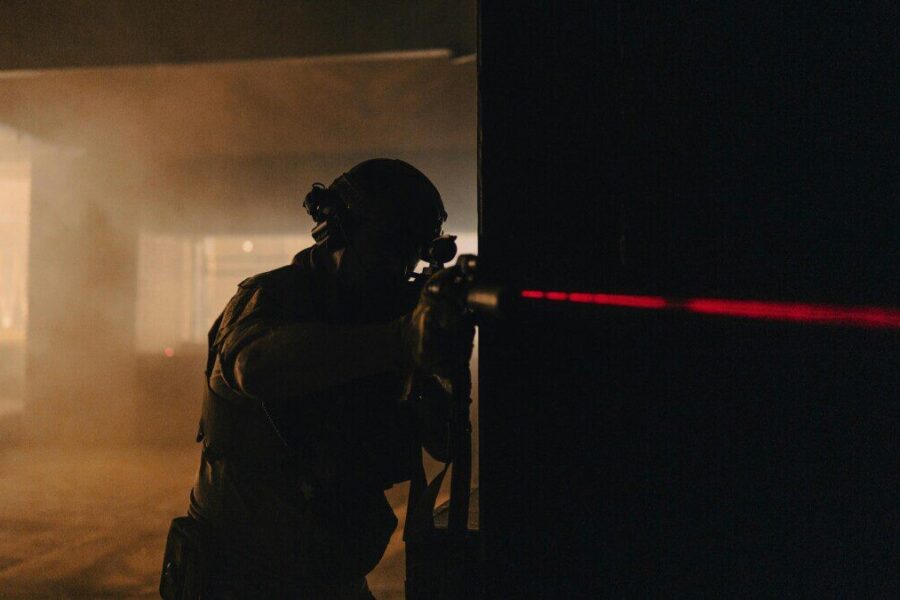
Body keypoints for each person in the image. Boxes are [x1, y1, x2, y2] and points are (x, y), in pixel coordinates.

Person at [160, 159, 474, 599]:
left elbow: (438, 443)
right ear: (339, 232)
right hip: (242, 582)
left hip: (333, 582)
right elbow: (256, 366)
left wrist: (441, 361)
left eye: (413, 253)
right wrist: (398, 341)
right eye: (388, 248)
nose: (400, 268)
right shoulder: (268, 298)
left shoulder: (384, 311)